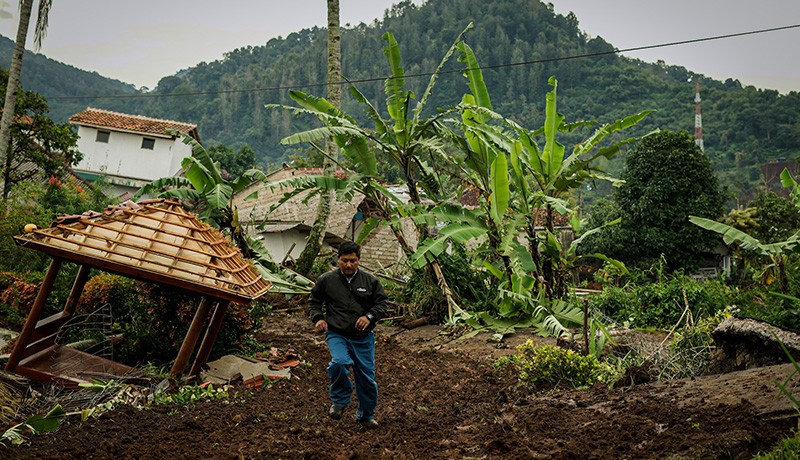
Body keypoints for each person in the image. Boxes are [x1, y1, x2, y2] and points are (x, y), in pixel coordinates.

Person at [307, 241, 388, 429]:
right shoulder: (327, 280)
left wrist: (369, 316)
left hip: (363, 338)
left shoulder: (370, 281)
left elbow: (382, 304)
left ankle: (366, 415)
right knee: (339, 363)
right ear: (338, 259)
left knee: (366, 378)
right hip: (337, 334)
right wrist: (318, 318)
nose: (349, 265)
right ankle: (340, 401)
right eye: (344, 261)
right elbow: (313, 302)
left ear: (358, 260)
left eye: (353, 261)